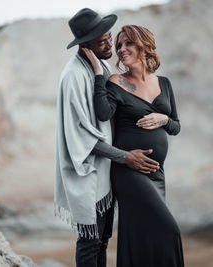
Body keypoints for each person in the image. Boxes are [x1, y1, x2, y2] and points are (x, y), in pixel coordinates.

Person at [55, 10, 161, 267]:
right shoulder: (73, 77)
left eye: (108, 37)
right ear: (85, 45)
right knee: (90, 242)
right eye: (102, 41)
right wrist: (126, 157)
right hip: (88, 175)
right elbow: (81, 139)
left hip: (106, 172)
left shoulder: (98, 66)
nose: (110, 45)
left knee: (102, 239)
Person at [83, 24, 185, 266]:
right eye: (119, 45)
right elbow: (103, 113)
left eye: (128, 43)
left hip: (156, 173)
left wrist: (164, 118)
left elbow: (176, 126)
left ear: (143, 44)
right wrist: (99, 74)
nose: (121, 49)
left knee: (143, 236)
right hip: (129, 170)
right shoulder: (116, 81)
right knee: (169, 230)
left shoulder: (164, 83)